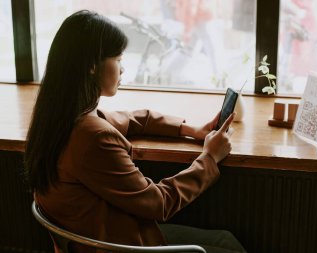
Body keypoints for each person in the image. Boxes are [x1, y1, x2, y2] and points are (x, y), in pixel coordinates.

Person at [24, 10, 246, 253]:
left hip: (99, 234)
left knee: (225, 240)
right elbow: (159, 203)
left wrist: (190, 130)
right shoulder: (92, 137)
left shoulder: (57, 116)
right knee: (230, 247)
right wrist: (210, 158)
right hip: (121, 244)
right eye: (118, 60)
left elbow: (133, 120)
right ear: (91, 66)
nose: (123, 69)